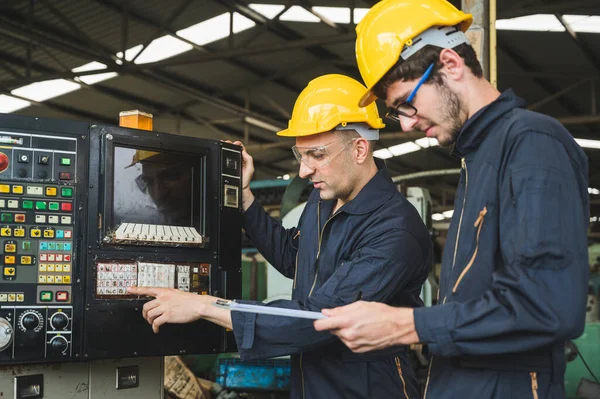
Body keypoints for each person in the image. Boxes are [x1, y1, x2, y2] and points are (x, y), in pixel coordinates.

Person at [314, 1, 590, 398]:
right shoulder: (476, 158)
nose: (407, 123)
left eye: (407, 102)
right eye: (398, 113)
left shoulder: (531, 143)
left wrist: (407, 325)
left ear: (450, 64)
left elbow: (547, 305)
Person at [128, 74, 433, 398]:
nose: (304, 171)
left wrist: (206, 306)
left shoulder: (395, 230)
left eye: (316, 155)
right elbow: (295, 257)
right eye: (300, 155)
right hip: (311, 382)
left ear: (359, 148)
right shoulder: (323, 199)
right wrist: (244, 198)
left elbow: (323, 316)